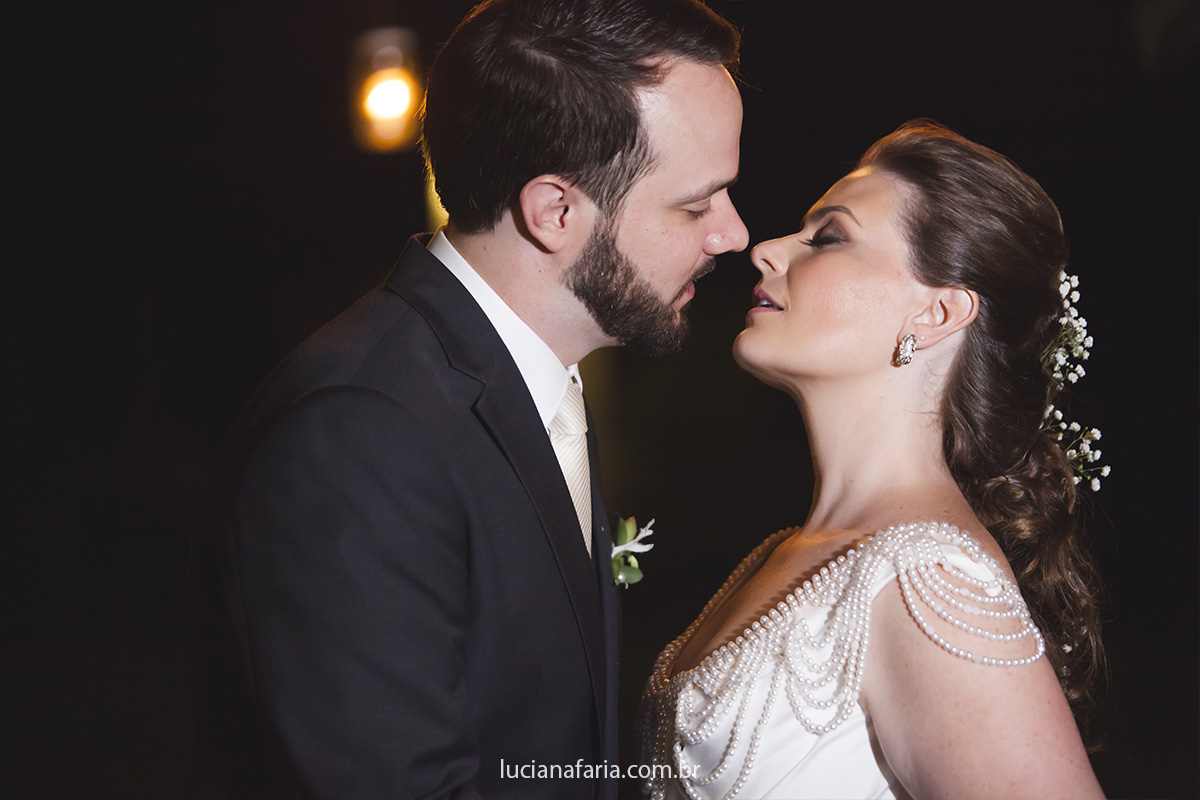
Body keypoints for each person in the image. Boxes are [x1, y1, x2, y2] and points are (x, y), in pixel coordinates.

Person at [190, 0, 748, 797]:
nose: (732, 233)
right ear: (555, 211)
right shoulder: (361, 431)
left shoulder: (528, 384)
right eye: (695, 205)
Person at [639, 120, 1107, 798]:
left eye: (828, 237)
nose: (766, 250)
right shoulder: (786, 551)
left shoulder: (927, 578)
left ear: (937, 313)